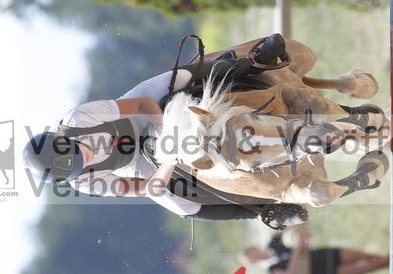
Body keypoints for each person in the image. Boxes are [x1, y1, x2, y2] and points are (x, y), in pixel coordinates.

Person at [22, 34, 307, 229]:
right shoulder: (84, 182)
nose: (86, 157)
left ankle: (251, 63)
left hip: (140, 118)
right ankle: (262, 211)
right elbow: (148, 189)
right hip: (139, 164)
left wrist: (167, 132)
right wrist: (169, 159)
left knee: (178, 77)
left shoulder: (79, 118)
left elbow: (144, 104)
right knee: (185, 207)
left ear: (66, 138)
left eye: (78, 151)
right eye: (79, 164)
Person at [242, 224, 389, 274]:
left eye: (255, 253)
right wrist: (298, 249)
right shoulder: (272, 269)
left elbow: (288, 224)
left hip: (323, 255)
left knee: (369, 257)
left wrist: (300, 233)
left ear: (257, 248)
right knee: (369, 266)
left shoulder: (272, 245)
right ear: (255, 263)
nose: (258, 256)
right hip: (323, 272)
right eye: (254, 258)